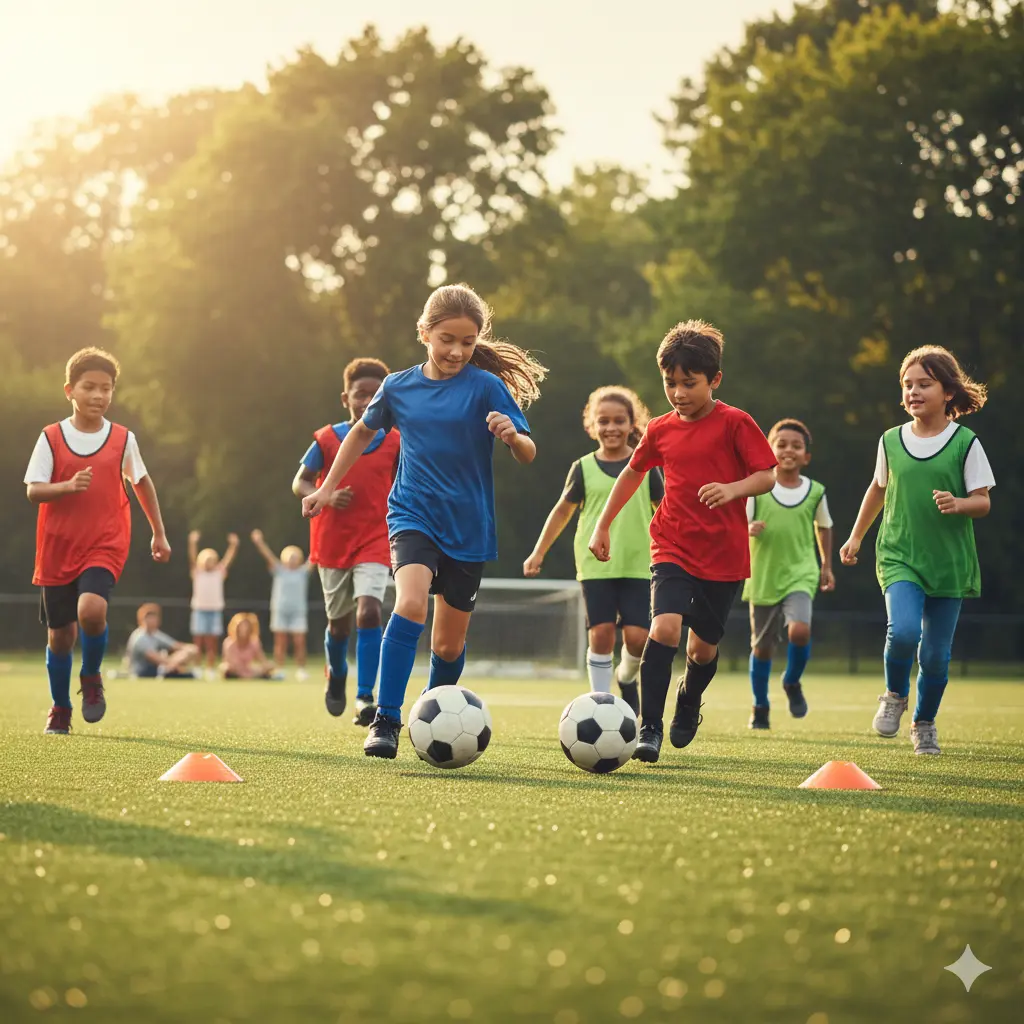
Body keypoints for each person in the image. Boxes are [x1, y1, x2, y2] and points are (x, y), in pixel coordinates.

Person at [303, 283, 546, 759]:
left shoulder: (486, 387)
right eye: (447, 339)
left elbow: (529, 453)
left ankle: (433, 720)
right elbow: (359, 433)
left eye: (467, 342)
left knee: (449, 646)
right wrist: (328, 486)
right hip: (412, 514)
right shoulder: (398, 386)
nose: (456, 351)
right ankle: (387, 719)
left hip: (470, 525)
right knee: (410, 604)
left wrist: (512, 436)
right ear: (424, 334)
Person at [588, 320, 776, 763]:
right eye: (670, 383)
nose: (678, 393)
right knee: (664, 627)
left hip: (724, 555)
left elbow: (767, 476)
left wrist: (733, 489)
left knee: (701, 648)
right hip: (672, 545)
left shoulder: (736, 423)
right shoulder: (659, 428)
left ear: (715, 380)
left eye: (688, 384)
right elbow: (633, 473)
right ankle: (649, 727)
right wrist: (603, 524)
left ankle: (689, 699)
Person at [840, 346, 993, 756]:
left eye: (924, 384)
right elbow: (877, 489)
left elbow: (983, 501)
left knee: (937, 657)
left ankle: (924, 722)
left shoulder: (965, 442)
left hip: (948, 563)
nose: (914, 391)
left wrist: (959, 504)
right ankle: (893, 694)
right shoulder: (890, 441)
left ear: (947, 392)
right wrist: (856, 536)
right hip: (899, 554)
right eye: (907, 385)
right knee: (904, 630)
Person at [24, 347, 171, 734]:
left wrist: (158, 531)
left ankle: (91, 678)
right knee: (61, 636)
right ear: (69, 390)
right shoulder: (51, 437)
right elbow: (34, 491)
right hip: (57, 548)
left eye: (106, 388)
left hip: (105, 543)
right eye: (89, 387)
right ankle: (60, 707)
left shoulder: (123, 439)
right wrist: (67, 486)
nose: (98, 395)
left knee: (91, 611)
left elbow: (140, 481)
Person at [523, 386, 663, 714]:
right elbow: (562, 511)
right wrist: (538, 551)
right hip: (595, 563)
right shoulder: (582, 468)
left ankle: (627, 677)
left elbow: (665, 508)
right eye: (603, 421)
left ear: (632, 424)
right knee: (600, 633)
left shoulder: (646, 465)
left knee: (638, 637)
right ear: (591, 426)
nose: (611, 427)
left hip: (640, 562)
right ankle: (602, 705)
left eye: (619, 420)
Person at [292, 358, 400, 725]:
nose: (367, 399)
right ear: (345, 398)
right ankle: (336, 674)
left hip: (376, 539)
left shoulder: (396, 440)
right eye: (360, 394)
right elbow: (300, 482)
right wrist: (325, 491)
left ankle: (365, 697)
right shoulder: (326, 439)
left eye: (375, 394)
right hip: (333, 544)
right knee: (338, 625)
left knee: (369, 610)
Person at [744, 419, 835, 730]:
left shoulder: (815, 492)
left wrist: (826, 566)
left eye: (796, 446)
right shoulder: (755, 489)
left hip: (802, 573)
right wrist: (748, 530)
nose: (788, 450)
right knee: (762, 647)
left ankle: (792, 681)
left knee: (799, 631)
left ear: (806, 456)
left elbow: (824, 526)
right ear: (768, 450)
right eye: (781, 444)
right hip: (763, 576)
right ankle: (760, 706)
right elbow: (736, 525)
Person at [250, 530, 313, 679]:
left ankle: (301, 669)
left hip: (298, 611)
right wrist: (259, 542)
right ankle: (279, 669)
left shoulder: (303, 572)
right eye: (290, 557)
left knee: (299, 641)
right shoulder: (279, 570)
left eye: (295, 557)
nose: (292, 560)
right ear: (284, 559)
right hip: (280, 609)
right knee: (280, 642)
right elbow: (268, 555)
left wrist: (321, 537)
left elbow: (314, 557)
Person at [188, 530, 239, 678]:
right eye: (206, 560)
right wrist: (192, 543)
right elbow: (192, 558)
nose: (209, 563)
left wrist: (233, 545)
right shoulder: (197, 572)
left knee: (212, 642)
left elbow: (228, 559)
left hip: (214, 611)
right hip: (199, 610)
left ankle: (210, 668)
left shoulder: (219, 573)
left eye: (212, 560)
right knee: (198, 641)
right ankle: (197, 667)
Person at [126, 603, 199, 678]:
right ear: (141, 619)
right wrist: (174, 664)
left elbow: (175, 645)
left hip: (160, 666)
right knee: (182, 674)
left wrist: (190, 650)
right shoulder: (140, 637)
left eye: (153, 617)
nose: (151, 620)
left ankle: (172, 670)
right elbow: (154, 658)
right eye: (148, 618)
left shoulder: (156, 634)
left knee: (188, 651)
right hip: (142, 670)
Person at [221, 612, 274, 679]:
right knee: (225, 668)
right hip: (235, 669)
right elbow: (231, 662)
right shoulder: (229, 642)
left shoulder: (254, 642)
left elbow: (262, 660)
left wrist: (267, 666)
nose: (244, 629)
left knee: (269, 666)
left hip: (248, 669)